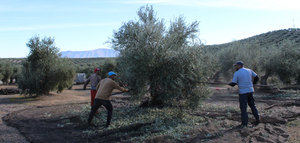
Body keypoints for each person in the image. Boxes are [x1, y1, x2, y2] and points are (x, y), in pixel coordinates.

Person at [228, 61, 260, 128]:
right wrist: (253, 84)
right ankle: (257, 120)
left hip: (243, 93)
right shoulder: (249, 70)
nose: (235, 67)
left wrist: (228, 84)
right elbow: (257, 77)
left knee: (243, 108)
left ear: (239, 66)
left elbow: (233, 83)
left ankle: (244, 124)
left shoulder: (237, 73)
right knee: (253, 106)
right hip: (250, 91)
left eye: (236, 66)